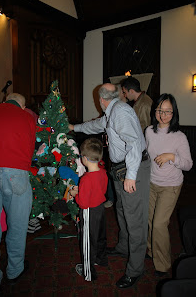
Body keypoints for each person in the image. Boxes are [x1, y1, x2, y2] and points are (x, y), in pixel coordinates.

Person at [69, 83, 151, 289]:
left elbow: (133, 142)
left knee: (135, 220)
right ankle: (124, 247)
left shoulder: (120, 112)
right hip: (121, 169)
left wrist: (131, 175)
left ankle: (135, 270)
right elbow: (96, 125)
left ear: (101, 100)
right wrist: (74, 128)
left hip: (133, 169)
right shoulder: (113, 111)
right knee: (122, 212)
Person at [145, 93, 193, 277]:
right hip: (152, 182)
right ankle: (151, 251)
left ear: (174, 114)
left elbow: (188, 164)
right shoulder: (149, 131)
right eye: (160, 110)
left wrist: (171, 157)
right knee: (150, 220)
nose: (163, 115)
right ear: (155, 111)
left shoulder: (179, 137)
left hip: (171, 185)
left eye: (168, 112)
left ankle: (163, 264)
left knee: (159, 224)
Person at [0, 93, 36, 290]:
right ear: (22, 106)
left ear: (4, 102)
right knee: (17, 226)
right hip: (16, 172)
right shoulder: (27, 116)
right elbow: (30, 147)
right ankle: (14, 271)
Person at [70, 137, 108, 281]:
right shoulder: (103, 172)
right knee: (99, 236)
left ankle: (88, 272)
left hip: (89, 211)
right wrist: (82, 191)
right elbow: (100, 190)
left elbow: (83, 203)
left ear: (84, 159)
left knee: (88, 240)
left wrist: (75, 194)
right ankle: (101, 259)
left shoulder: (85, 178)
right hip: (100, 209)